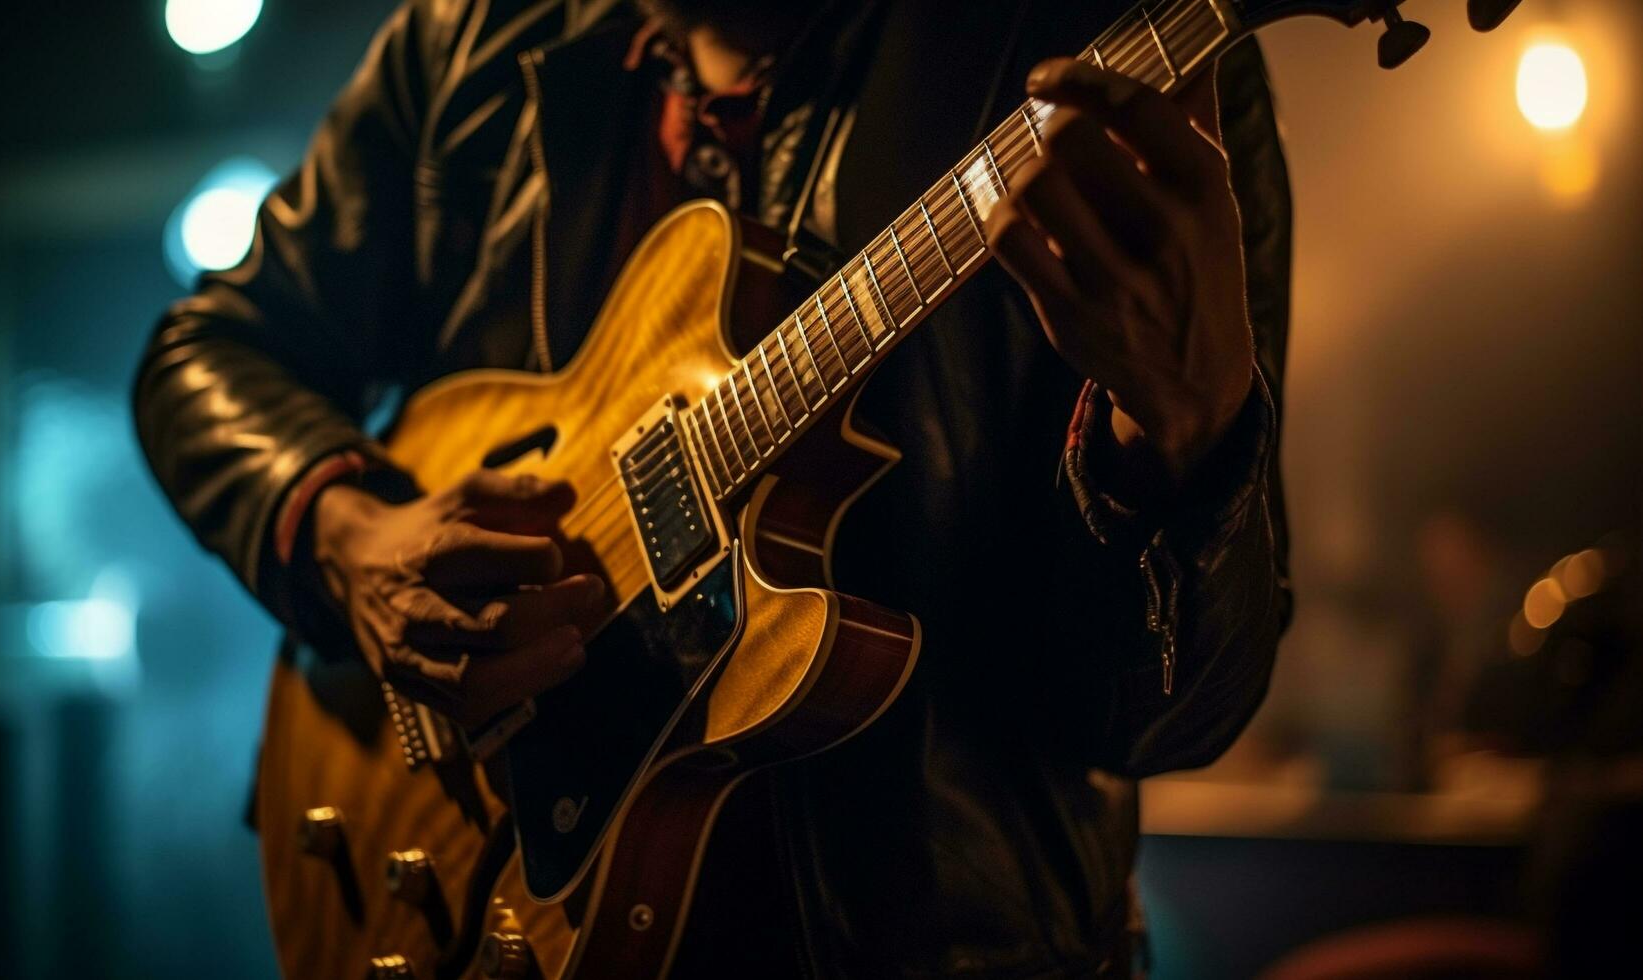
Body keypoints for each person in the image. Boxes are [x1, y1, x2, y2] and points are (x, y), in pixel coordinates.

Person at [133, 0, 1294, 975]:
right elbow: (207, 351)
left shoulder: (1104, 61)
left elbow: (1174, 716)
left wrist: (1185, 443)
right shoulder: (464, 46)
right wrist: (349, 538)